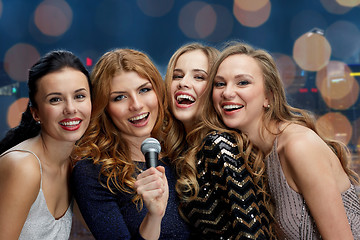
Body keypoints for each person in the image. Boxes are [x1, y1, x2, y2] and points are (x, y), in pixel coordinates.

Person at [207, 42, 360, 239]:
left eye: (242, 82)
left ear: (268, 96)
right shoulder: (252, 155)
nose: (227, 93)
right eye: (220, 83)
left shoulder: (298, 146)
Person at [71, 48, 190, 240]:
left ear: (158, 92)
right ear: (105, 108)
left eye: (144, 90)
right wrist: (153, 216)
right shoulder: (94, 172)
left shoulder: (182, 152)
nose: (136, 105)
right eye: (120, 97)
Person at [163, 42, 273, 239]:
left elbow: (252, 233)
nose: (183, 83)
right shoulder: (183, 150)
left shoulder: (219, 145)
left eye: (199, 77)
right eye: (177, 76)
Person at [0, 50, 92, 239]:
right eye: (55, 99)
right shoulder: (24, 166)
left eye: (79, 96)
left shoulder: (74, 165)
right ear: (36, 113)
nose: (71, 109)